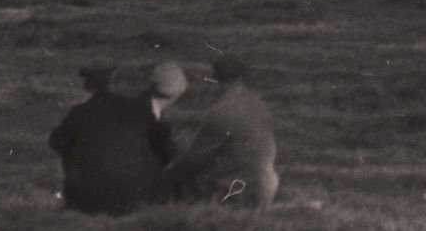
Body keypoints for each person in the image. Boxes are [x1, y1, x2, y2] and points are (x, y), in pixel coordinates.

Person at [49, 63, 175, 215]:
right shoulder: (138, 109)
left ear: (88, 89)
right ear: (114, 85)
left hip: (86, 201)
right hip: (138, 198)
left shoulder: (79, 112)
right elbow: (166, 147)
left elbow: (56, 142)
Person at [168, 57, 279, 210]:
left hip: (238, 193)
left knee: (183, 185)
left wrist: (167, 173)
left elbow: (195, 159)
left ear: (215, 82)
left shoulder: (221, 111)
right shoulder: (258, 104)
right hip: (265, 188)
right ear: (241, 78)